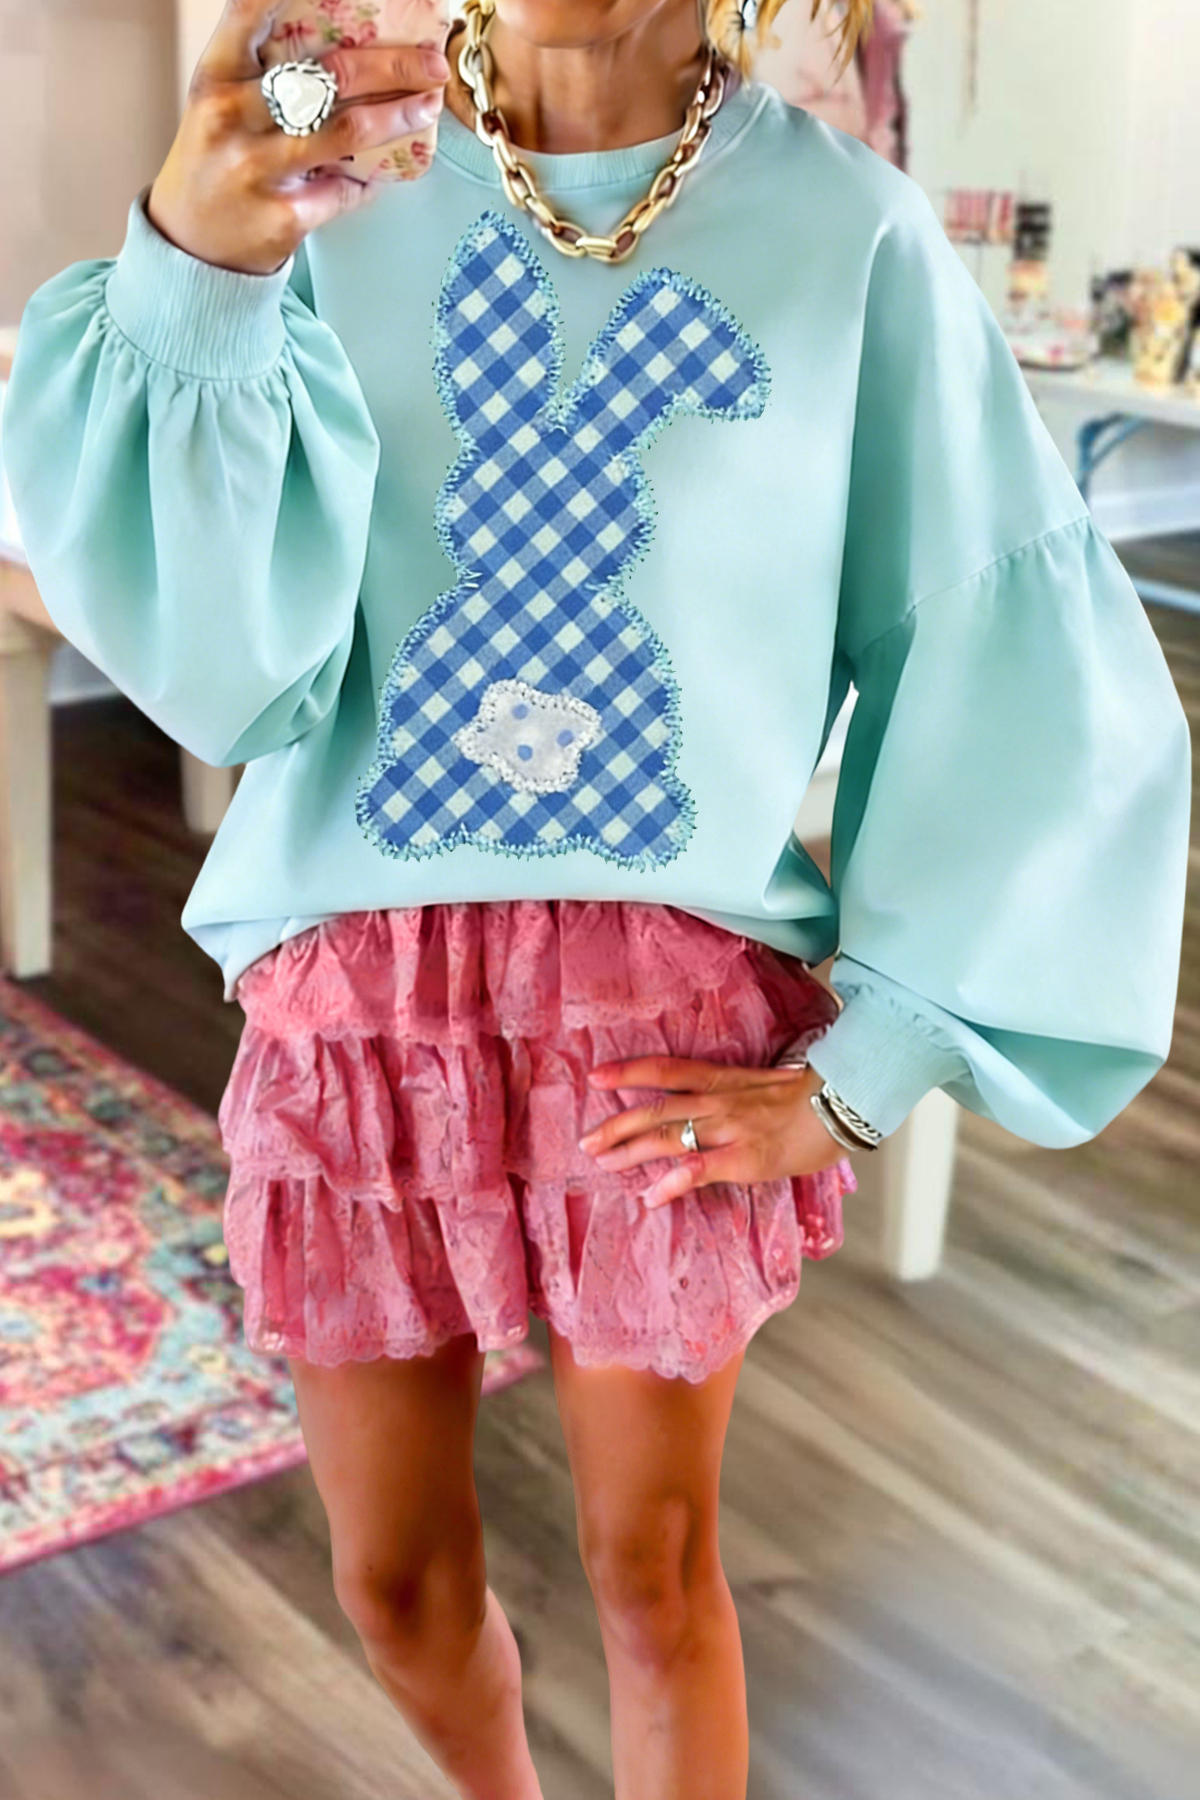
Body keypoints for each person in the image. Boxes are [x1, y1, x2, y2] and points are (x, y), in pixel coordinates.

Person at [4, 1, 1191, 1794]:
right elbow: (228, 677)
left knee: (654, 1572)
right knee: (394, 1586)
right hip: (361, 1003)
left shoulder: (853, 237)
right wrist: (197, 277)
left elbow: (1009, 651)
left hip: (664, 1019)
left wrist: (866, 1068)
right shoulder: (335, 184)